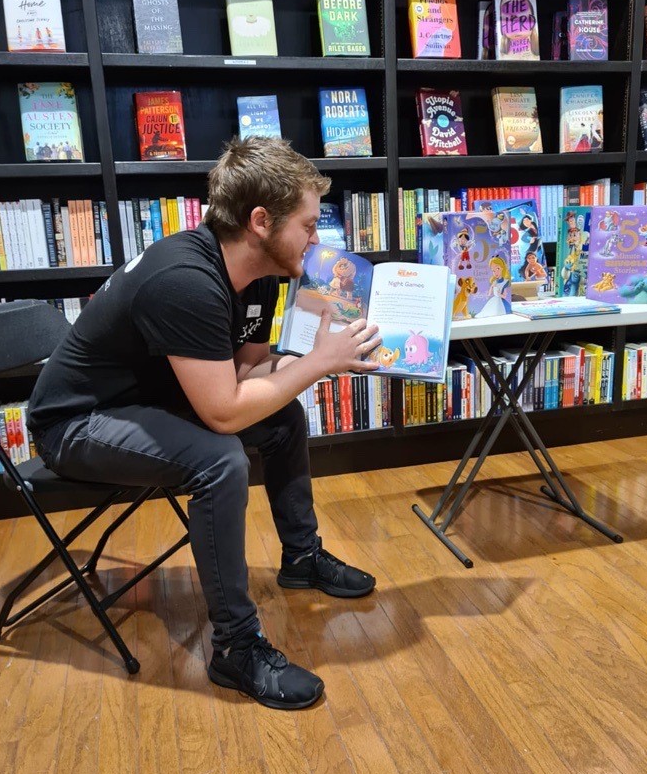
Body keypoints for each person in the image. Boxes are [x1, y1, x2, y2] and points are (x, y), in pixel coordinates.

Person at [27, 137, 382, 711]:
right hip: (76, 423)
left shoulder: (260, 273)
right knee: (220, 462)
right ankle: (236, 648)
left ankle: (301, 557)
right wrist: (317, 364)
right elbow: (222, 411)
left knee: (283, 417)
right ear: (260, 221)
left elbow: (247, 373)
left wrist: (323, 354)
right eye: (310, 225)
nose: (317, 240)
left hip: (152, 403)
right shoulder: (186, 280)